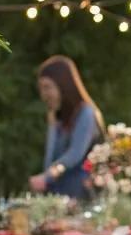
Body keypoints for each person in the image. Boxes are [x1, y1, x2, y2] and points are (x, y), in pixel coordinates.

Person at [30, 55, 103, 200]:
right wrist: (45, 179)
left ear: (63, 85)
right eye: (41, 88)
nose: (44, 94)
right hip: (57, 193)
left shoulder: (86, 113)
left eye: (47, 87)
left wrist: (47, 176)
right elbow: (50, 155)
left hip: (80, 194)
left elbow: (74, 155)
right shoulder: (57, 116)